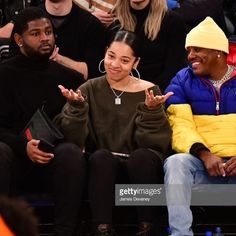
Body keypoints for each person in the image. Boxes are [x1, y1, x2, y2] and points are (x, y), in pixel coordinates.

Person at [55, 30, 172, 236]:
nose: (115, 64)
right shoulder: (89, 88)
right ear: (105, 53)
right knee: (101, 157)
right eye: (111, 56)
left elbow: (155, 144)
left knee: (142, 157)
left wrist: (152, 111)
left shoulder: (150, 92)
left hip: (138, 165)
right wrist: (76, 108)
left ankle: (148, 228)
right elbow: (73, 140)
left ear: (136, 63)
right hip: (101, 168)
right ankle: (102, 229)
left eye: (125, 60)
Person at [0, 7, 86, 236]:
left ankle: (65, 232)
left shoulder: (70, 78)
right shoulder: (4, 75)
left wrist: (77, 108)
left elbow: (74, 132)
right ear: (19, 39)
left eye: (48, 31)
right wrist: (23, 146)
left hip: (53, 160)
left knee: (71, 152)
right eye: (35, 34)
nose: (45, 38)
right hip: (15, 161)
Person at [164, 17, 236, 236]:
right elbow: (180, 125)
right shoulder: (182, 80)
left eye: (197, 49)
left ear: (217, 52)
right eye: (188, 50)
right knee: (176, 163)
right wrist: (204, 154)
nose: (190, 56)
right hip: (203, 166)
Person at [108, 0, 187, 92]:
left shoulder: (173, 22)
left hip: (154, 93)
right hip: (115, 91)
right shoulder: (113, 20)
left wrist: (149, 92)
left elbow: (173, 69)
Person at [40, 0, 106, 79]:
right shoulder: (28, 20)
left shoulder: (92, 25)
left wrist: (58, 59)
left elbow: (93, 74)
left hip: (76, 89)